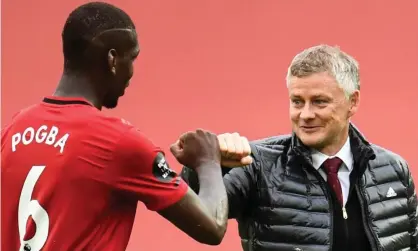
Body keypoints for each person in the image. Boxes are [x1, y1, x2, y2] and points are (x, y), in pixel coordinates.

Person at [0, 2, 251, 251]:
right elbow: (212, 226)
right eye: (132, 58)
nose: (131, 72)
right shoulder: (117, 141)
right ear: (112, 59)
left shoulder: (13, 129)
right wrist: (208, 161)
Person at [182, 44, 418, 251]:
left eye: (319, 102)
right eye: (297, 102)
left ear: (353, 101)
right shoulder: (254, 164)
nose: (305, 115)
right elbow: (195, 214)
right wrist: (207, 164)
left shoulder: (394, 170)